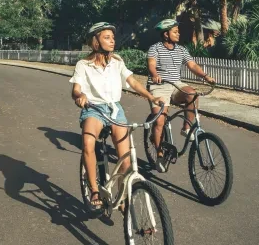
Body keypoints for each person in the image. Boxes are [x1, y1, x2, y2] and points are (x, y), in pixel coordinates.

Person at [70, 22, 163, 213]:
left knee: (126, 159)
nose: (112, 41)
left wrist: (151, 96)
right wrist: (80, 97)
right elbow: (76, 89)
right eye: (106, 37)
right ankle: (94, 191)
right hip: (93, 109)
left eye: (112, 38)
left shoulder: (117, 62)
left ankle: (122, 196)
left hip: (114, 109)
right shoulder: (83, 65)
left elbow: (132, 82)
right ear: (95, 42)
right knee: (88, 143)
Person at [147, 19, 215, 172]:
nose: (178, 34)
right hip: (160, 85)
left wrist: (205, 76)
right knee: (159, 122)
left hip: (176, 84)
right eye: (175, 31)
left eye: (178, 31)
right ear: (166, 34)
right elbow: (151, 64)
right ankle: (159, 154)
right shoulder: (155, 49)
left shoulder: (181, 50)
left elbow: (192, 65)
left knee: (192, 93)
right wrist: (155, 74)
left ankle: (186, 128)